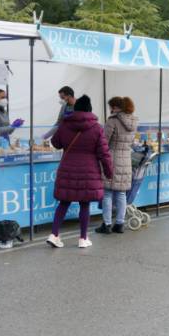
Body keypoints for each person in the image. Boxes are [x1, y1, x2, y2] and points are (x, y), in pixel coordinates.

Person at [47, 95, 113, 249]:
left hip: (67, 168)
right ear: (90, 109)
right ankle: (83, 238)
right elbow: (104, 153)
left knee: (64, 202)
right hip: (89, 171)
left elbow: (55, 143)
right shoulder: (97, 128)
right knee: (85, 204)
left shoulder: (65, 124)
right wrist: (109, 172)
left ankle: (54, 234)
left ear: (75, 109)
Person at [96, 97, 138, 235]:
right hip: (126, 159)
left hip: (111, 159)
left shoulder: (112, 121)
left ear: (115, 107)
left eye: (111, 107)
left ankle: (107, 224)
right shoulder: (133, 121)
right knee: (121, 193)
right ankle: (120, 224)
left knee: (107, 193)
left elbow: (104, 142)